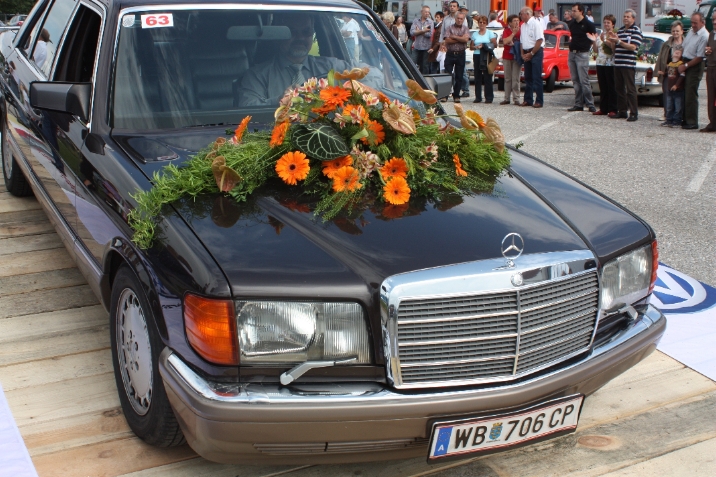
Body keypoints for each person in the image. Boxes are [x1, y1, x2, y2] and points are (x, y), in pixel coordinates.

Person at [239, 14, 380, 106]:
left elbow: (375, 73)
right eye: (292, 32)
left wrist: (352, 91)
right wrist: (279, 101)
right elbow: (246, 107)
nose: (300, 38)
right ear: (280, 35)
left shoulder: (330, 67)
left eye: (306, 32)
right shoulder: (257, 75)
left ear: (312, 35)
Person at [609, 9, 642, 121]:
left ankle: (633, 113)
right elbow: (615, 49)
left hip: (628, 64)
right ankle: (622, 111)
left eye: (628, 17)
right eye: (624, 16)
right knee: (619, 88)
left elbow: (633, 47)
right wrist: (613, 41)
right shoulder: (621, 30)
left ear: (633, 18)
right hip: (618, 63)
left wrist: (619, 42)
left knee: (630, 89)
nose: (625, 18)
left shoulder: (636, 30)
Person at [678, 12, 708, 130]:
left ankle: (692, 121)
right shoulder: (691, 31)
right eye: (692, 22)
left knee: (691, 92)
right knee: (684, 91)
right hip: (685, 61)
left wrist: (685, 66)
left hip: (694, 65)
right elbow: (684, 46)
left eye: (695, 23)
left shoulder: (704, 36)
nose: (693, 25)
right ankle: (685, 118)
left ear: (702, 22)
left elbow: (700, 57)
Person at [568, 3, 597, 112]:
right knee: (575, 80)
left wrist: (589, 47)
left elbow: (593, 38)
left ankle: (590, 103)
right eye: (572, 10)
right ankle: (578, 103)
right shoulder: (572, 24)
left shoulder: (588, 24)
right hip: (572, 53)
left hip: (582, 54)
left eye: (575, 11)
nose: (573, 13)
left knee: (584, 80)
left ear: (581, 11)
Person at [655, 21, 684, 121]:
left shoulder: (686, 43)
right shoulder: (667, 44)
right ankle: (667, 114)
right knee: (667, 93)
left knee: (680, 95)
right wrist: (659, 70)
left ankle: (679, 116)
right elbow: (661, 57)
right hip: (668, 71)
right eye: (673, 31)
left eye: (677, 31)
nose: (675, 33)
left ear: (682, 31)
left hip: (681, 72)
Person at [440, 11, 470, 103]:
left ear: (463, 19)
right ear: (455, 18)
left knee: (459, 76)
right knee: (447, 75)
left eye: (461, 19)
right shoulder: (449, 28)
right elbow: (447, 40)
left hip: (461, 54)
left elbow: (465, 40)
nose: (459, 20)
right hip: (450, 54)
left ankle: (456, 95)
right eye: (458, 18)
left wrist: (454, 37)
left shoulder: (465, 29)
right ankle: (445, 95)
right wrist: (459, 38)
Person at [591, 14, 617, 116]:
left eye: (608, 23)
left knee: (611, 86)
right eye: (605, 22)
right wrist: (594, 41)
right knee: (603, 86)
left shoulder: (614, 34)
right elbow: (596, 50)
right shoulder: (601, 34)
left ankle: (613, 108)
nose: (606, 24)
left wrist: (604, 40)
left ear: (613, 24)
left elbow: (613, 48)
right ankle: (603, 108)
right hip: (600, 62)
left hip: (610, 63)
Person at [519, 7, 544, 108]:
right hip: (526, 51)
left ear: (527, 14)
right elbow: (521, 41)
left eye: (521, 14)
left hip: (536, 52)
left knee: (536, 77)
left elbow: (539, 40)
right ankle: (528, 99)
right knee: (528, 77)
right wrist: (522, 54)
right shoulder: (523, 26)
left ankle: (539, 100)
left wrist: (532, 53)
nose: (520, 16)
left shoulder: (535, 24)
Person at [470, 15, 497, 103]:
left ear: (486, 24)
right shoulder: (475, 34)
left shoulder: (489, 33)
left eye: (484, 22)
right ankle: (478, 97)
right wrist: (476, 47)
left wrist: (485, 46)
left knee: (487, 76)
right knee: (477, 76)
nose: (482, 24)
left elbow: (495, 44)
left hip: (486, 55)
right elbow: (471, 46)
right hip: (477, 55)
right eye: (480, 22)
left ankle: (489, 97)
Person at [662, 45, 686, 127]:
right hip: (669, 89)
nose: (676, 53)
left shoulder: (680, 65)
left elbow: (682, 76)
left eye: (678, 53)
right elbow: (669, 74)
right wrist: (663, 74)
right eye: (675, 52)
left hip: (678, 90)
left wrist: (677, 85)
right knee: (669, 106)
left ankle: (677, 121)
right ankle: (669, 120)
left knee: (678, 106)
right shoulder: (670, 65)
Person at [501, 14, 522, 105]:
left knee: (516, 78)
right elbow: (505, 41)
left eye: (518, 20)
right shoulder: (506, 31)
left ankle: (516, 98)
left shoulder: (522, 30)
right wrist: (513, 33)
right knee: (508, 78)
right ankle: (507, 98)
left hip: (517, 56)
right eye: (514, 21)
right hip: (507, 56)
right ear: (510, 23)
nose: (517, 22)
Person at [702, 10, 716, 132]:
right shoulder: (711, 34)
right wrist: (707, 51)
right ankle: (712, 122)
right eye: (713, 20)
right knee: (711, 96)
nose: (715, 22)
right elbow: (707, 50)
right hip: (711, 67)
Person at [411, 6, 434, 73]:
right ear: (422, 12)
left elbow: (430, 34)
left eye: (428, 12)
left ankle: (425, 80)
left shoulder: (430, 22)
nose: (427, 13)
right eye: (426, 12)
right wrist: (423, 31)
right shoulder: (416, 21)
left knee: (425, 65)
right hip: (417, 46)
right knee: (413, 63)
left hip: (426, 47)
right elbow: (412, 32)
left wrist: (419, 31)